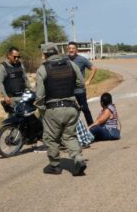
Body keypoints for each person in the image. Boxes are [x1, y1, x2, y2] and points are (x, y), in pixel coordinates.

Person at [35, 42, 87, 176]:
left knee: (52, 138)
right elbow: (81, 83)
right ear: (57, 52)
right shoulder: (71, 64)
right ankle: (78, 158)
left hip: (53, 110)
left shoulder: (43, 69)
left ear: (44, 54)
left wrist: (42, 111)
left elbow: (39, 95)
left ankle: (54, 166)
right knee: (70, 136)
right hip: (71, 107)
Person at [67, 41, 97, 126]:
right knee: (69, 111)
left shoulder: (82, 59)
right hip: (68, 91)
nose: (71, 50)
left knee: (85, 109)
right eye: (69, 48)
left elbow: (93, 68)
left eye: (73, 48)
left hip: (79, 90)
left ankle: (92, 128)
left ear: (76, 50)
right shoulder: (65, 60)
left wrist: (88, 80)